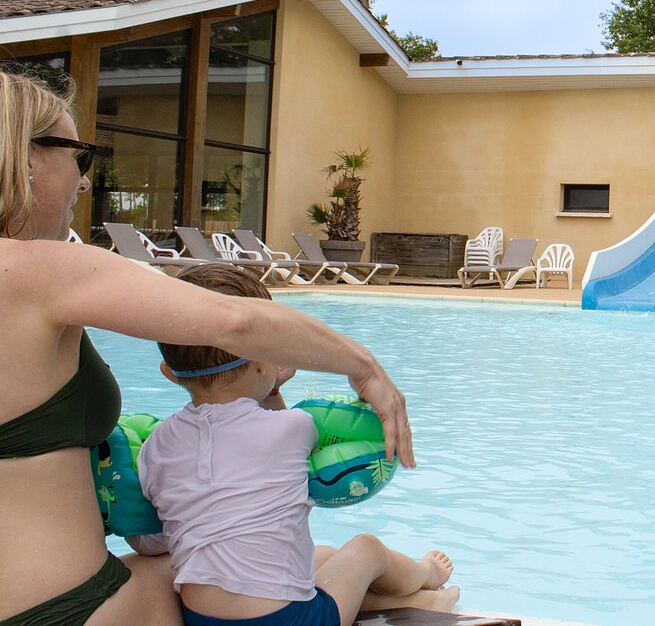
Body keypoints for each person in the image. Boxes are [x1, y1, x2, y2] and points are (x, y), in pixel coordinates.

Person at [0, 69, 413, 626]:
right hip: (65, 612)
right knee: (270, 568)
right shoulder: (42, 271)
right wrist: (364, 366)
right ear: (27, 157)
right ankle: (414, 595)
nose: (82, 182)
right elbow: (236, 323)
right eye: (82, 155)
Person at [135, 264, 458, 626]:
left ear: (169, 372)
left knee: (321, 556)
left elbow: (149, 542)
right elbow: (277, 435)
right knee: (366, 549)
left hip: (202, 617)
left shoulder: (157, 444)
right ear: (262, 361)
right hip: (295, 620)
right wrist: (274, 384)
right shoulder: (294, 426)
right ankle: (427, 575)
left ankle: (417, 600)